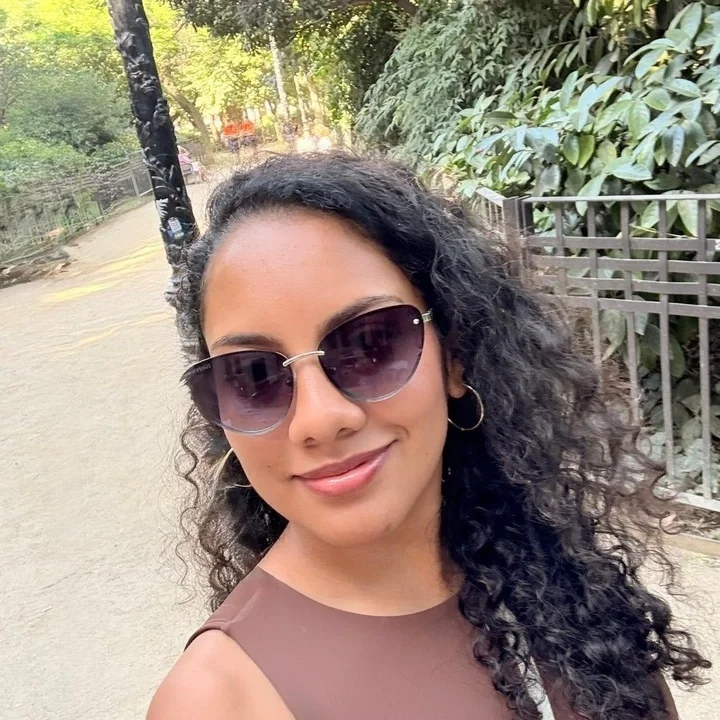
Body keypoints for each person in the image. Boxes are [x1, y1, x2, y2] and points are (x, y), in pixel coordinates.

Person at [148, 153, 710, 720]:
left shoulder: (563, 580)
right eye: (253, 376)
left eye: (369, 344)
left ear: (454, 355)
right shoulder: (216, 700)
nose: (318, 419)